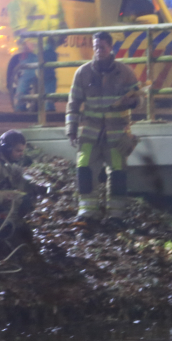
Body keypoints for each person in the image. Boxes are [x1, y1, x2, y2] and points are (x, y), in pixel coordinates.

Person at [66, 31, 141, 224]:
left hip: (117, 135)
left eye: (102, 47)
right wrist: (71, 129)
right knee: (84, 169)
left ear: (110, 48)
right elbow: (73, 103)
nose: (98, 51)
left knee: (117, 173)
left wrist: (131, 101)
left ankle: (116, 215)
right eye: (96, 47)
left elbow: (138, 99)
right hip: (90, 133)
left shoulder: (125, 73)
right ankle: (87, 213)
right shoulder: (83, 73)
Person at [9, 0, 67, 112]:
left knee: (49, 75)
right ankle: (20, 104)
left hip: (49, 42)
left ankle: (49, 105)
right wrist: (24, 40)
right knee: (29, 74)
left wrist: (63, 32)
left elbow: (59, 16)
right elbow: (18, 21)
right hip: (33, 44)